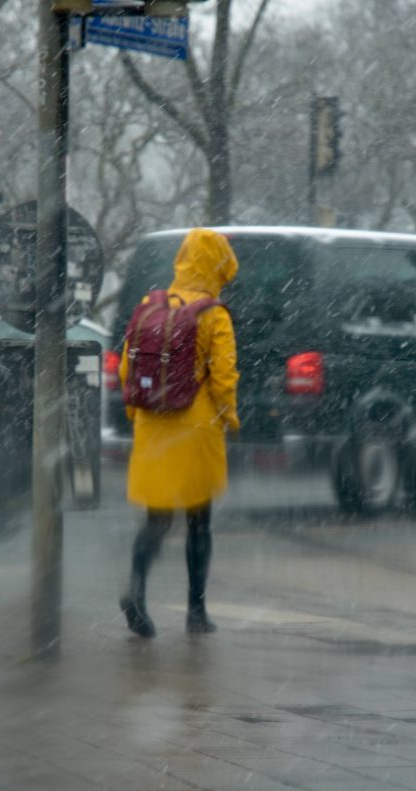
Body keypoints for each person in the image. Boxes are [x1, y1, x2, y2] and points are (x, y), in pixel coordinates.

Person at [118, 228, 241, 638]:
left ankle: (135, 588)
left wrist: (137, 411)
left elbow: (125, 368)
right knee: (199, 521)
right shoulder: (214, 314)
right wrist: (230, 417)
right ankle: (196, 611)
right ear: (217, 263)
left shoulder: (150, 305)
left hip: (153, 423)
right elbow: (223, 378)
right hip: (196, 423)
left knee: (156, 519)